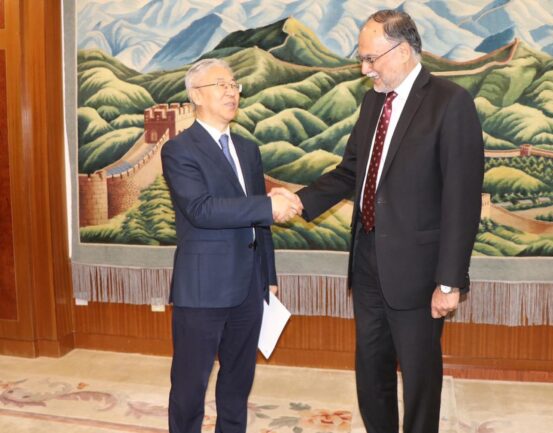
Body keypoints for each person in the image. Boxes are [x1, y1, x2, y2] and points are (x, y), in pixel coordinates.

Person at [271, 10, 484, 433]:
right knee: (371, 371)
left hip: (419, 271)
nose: (365, 69)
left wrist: (449, 282)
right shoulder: (373, 102)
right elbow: (351, 172)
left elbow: (462, 201)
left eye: (371, 59)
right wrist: (298, 201)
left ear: (402, 51)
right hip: (367, 261)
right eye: (362, 59)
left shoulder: (449, 102)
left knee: (420, 378)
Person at [161, 58, 299, 433]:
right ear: (196, 96)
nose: (231, 92)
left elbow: (258, 222)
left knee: (238, 382)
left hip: (249, 285)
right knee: (190, 385)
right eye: (220, 85)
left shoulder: (247, 149)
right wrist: (269, 205)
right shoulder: (179, 150)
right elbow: (201, 209)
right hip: (203, 287)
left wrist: (268, 275)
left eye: (234, 85)